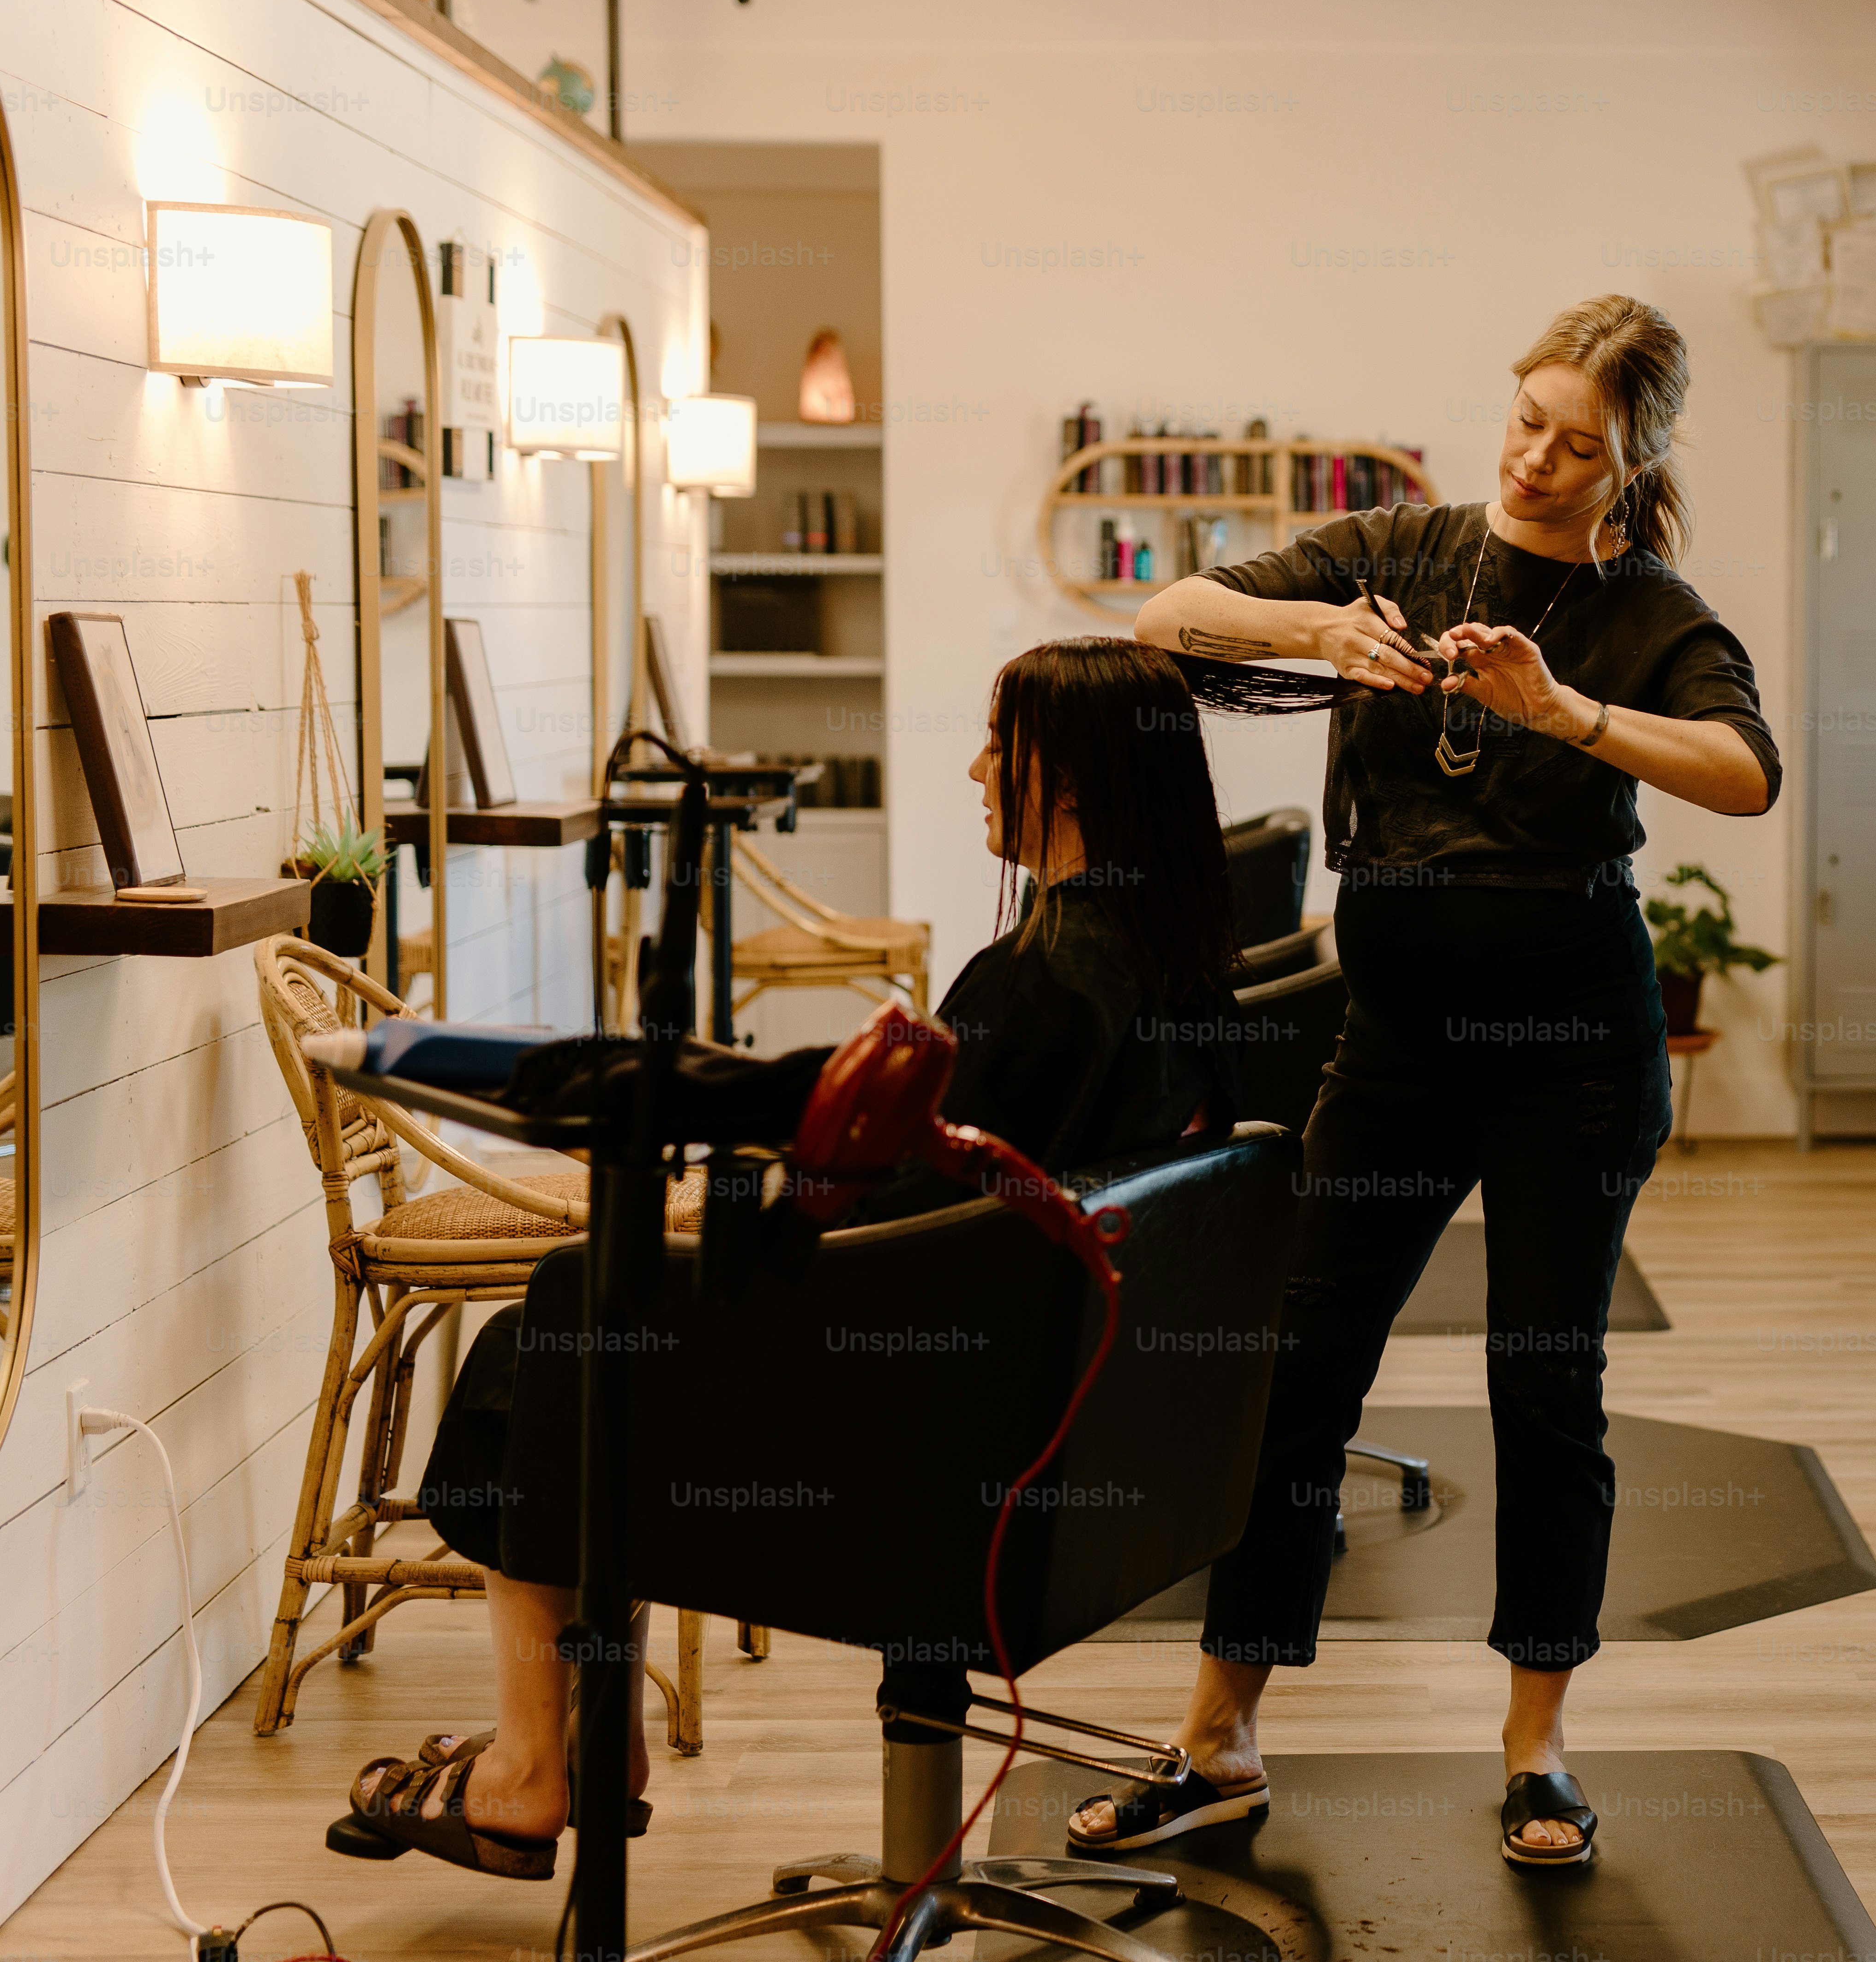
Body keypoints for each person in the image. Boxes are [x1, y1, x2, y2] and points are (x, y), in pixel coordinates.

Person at [340, 638, 1243, 1877]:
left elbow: (902, 1236)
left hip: (923, 1445)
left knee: (548, 1337)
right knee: (598, 1337)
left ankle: (532, 1769)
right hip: (1065, 1436)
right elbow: (944, 1210)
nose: (979, 770)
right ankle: (591, 1748)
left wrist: (717, 1224)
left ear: (1072, 777)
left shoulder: (1043, 983)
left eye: (999, 743)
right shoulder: (1173, 968)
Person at [1090, 293, 1779, 1870]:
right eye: (1528, 418)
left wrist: (1571, 715)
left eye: (1578, 443)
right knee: (1297, 1375)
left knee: (1544, 1391)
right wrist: (1313, 631)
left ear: (1634, 459)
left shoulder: (1651, 609)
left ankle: (1539, 1754)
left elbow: (1746, 774)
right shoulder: (1396, 548)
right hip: (1396, 1042)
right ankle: (1220, 1741)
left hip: (1572, 1058)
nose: (1537, 458)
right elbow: (1165, 619)